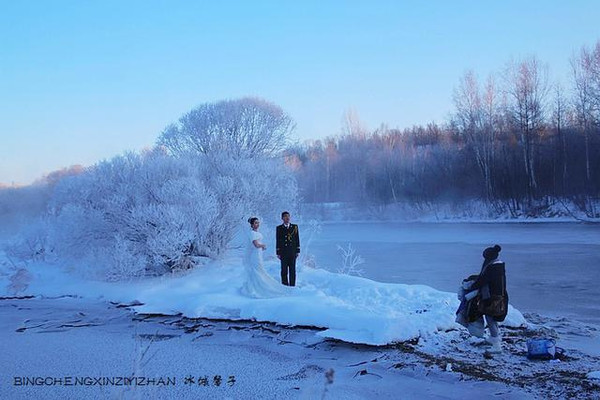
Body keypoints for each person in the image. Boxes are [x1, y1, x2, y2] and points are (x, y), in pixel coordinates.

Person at [468, 244, 508, 354]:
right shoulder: (498, 265)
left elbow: (483, 280)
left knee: (490, 318)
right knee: (492, 318)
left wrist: (472, 285)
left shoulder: (492, 268)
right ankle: (494, 338)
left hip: (492, 297)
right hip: (498, 295)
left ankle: (496, 345)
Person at [241, 217, 291, 298]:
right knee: (257, 270)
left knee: (260, 269)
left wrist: (262, 247)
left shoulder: (257, 233)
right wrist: (263, 245)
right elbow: (256, 245)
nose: (257, 224)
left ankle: (260, 285)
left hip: (258, 254)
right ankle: (257, 287)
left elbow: (257, 244)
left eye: (258, 223)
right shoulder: (252, 233)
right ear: (252, 225)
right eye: (255, 223)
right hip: (255, 255)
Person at [276, 211, 300, 286]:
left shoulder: (294, 227)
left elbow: (297, 239)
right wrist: (278, 252)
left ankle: (292, 285)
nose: (287, 218)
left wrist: (297, 250)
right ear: (282, 218)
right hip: (283, 252)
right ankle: (285, 285)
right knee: (284, 270)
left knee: (292, 270)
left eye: (288, 216)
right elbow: (278, 240)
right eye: (285, 216)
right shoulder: (279, 228)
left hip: (292, 252)